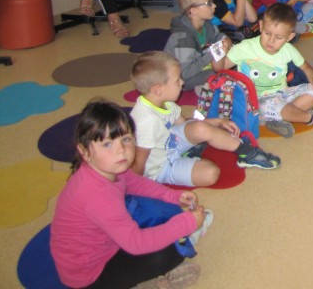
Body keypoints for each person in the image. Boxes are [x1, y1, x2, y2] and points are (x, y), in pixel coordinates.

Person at [50, 99, 203, 289]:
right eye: (107, 144)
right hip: (91, 276)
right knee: (167, 252)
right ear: (84, 151)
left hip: (107, 244)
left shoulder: (108, 168)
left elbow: (134, 182)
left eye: (126, 139)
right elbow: (135, 243)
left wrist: (173, 196)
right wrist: (187, 223)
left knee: (163, 215)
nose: (121, 151)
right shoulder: (96, 194)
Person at [130, 51, 281, 187]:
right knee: (210, 173)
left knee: (200, 128)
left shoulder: (166, 102)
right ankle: (190, 153)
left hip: (171, 142)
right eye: (177, 80)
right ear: (158, 90)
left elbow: (186, 124)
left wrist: (218, 122)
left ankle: (245, 152)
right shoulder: (147, 121)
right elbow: (139, 163)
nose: (182, 82)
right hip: (160, 168)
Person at [222, 2, 313, 138]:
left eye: (279, 37)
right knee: (273, 104)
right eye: (267, 33)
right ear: (261, 26)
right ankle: (310, 117)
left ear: (289, 37)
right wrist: (222, 53)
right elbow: (220, 67)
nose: (271, 40)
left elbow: (306, 67)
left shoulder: (288, 50)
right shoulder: (245, 47)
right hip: (254, 100)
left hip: (282, 94)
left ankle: (277, 116)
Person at [164, 0, 232, 95]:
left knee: (232, 61)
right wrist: (212, 53)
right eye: (209, 3)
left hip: (198, 61)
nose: (214, 6)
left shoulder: (206, 24)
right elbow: (184, 74)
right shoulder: (183, 38)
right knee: (222, 74)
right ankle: (204, 87)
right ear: (193, 11)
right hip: (180, 78)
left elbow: (217, 36)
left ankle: (206, 84)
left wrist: (225, 39)